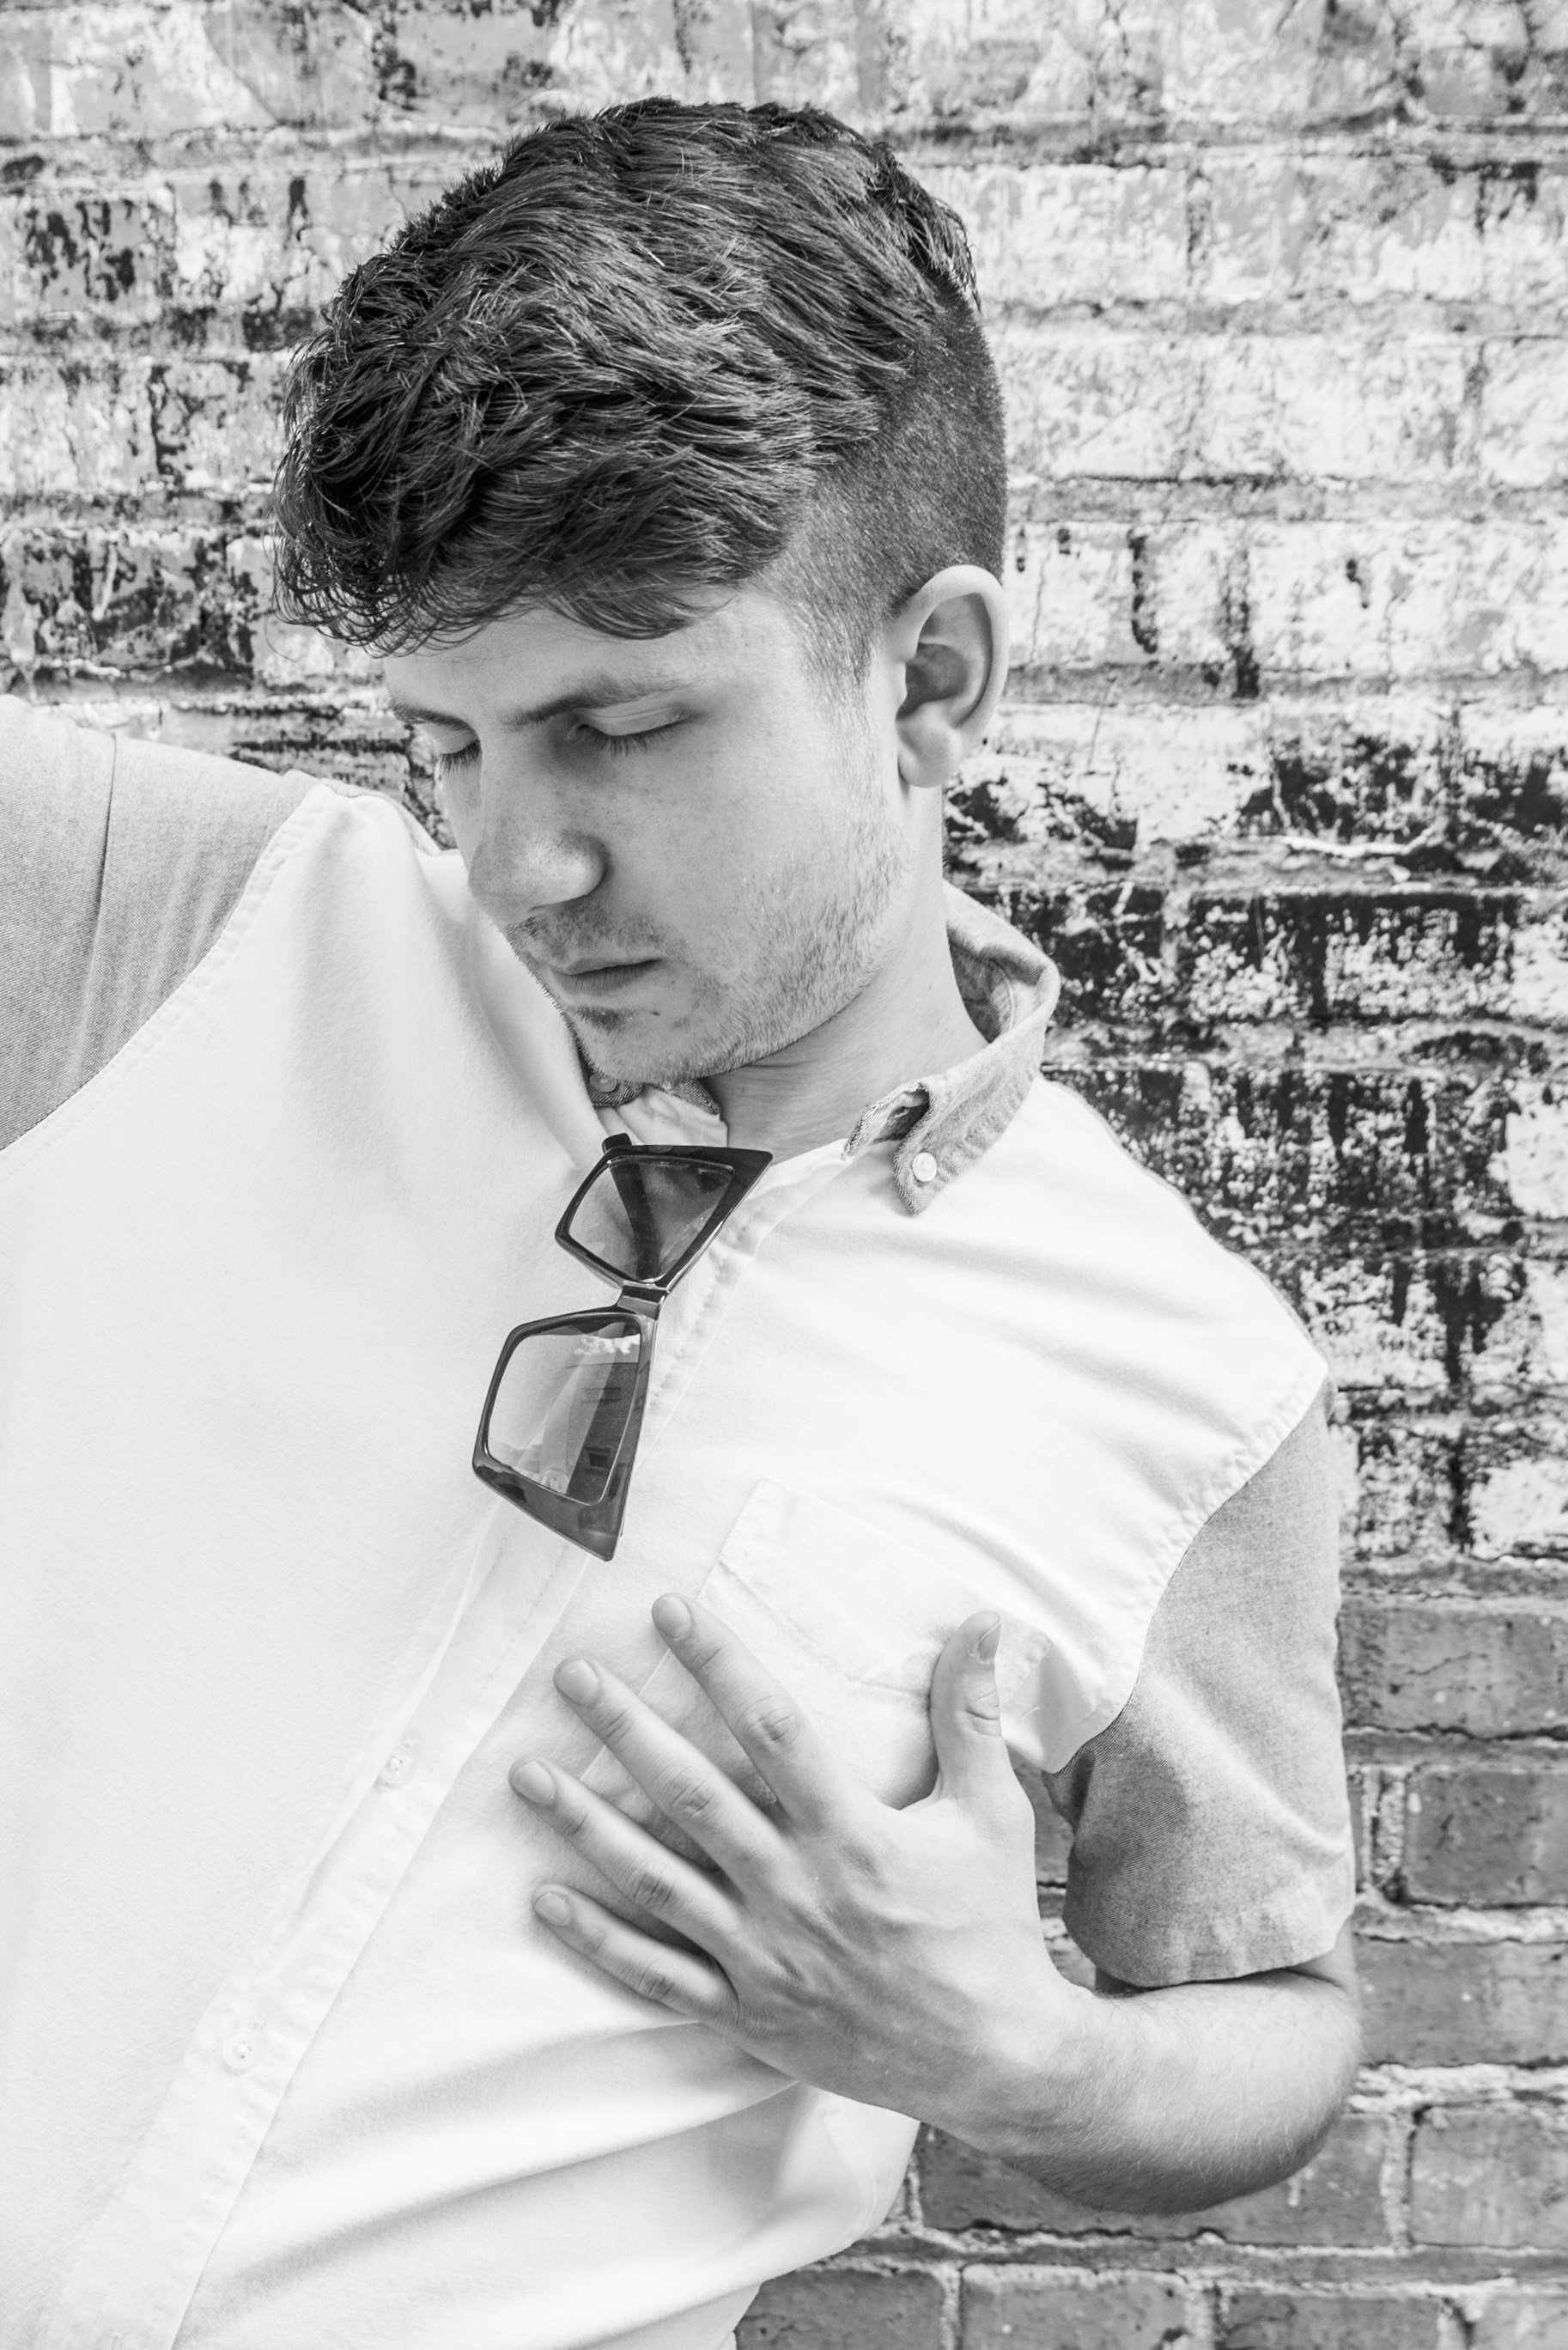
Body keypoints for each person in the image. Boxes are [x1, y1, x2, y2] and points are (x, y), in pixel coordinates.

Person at [0, 99, 1359, 2350]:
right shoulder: (188, 931)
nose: (512, 867)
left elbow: (1278, 2021)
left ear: (930, 678)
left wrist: (1016, 2055)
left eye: (616, 726)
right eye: (448, 747)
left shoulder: (1188, 1382)